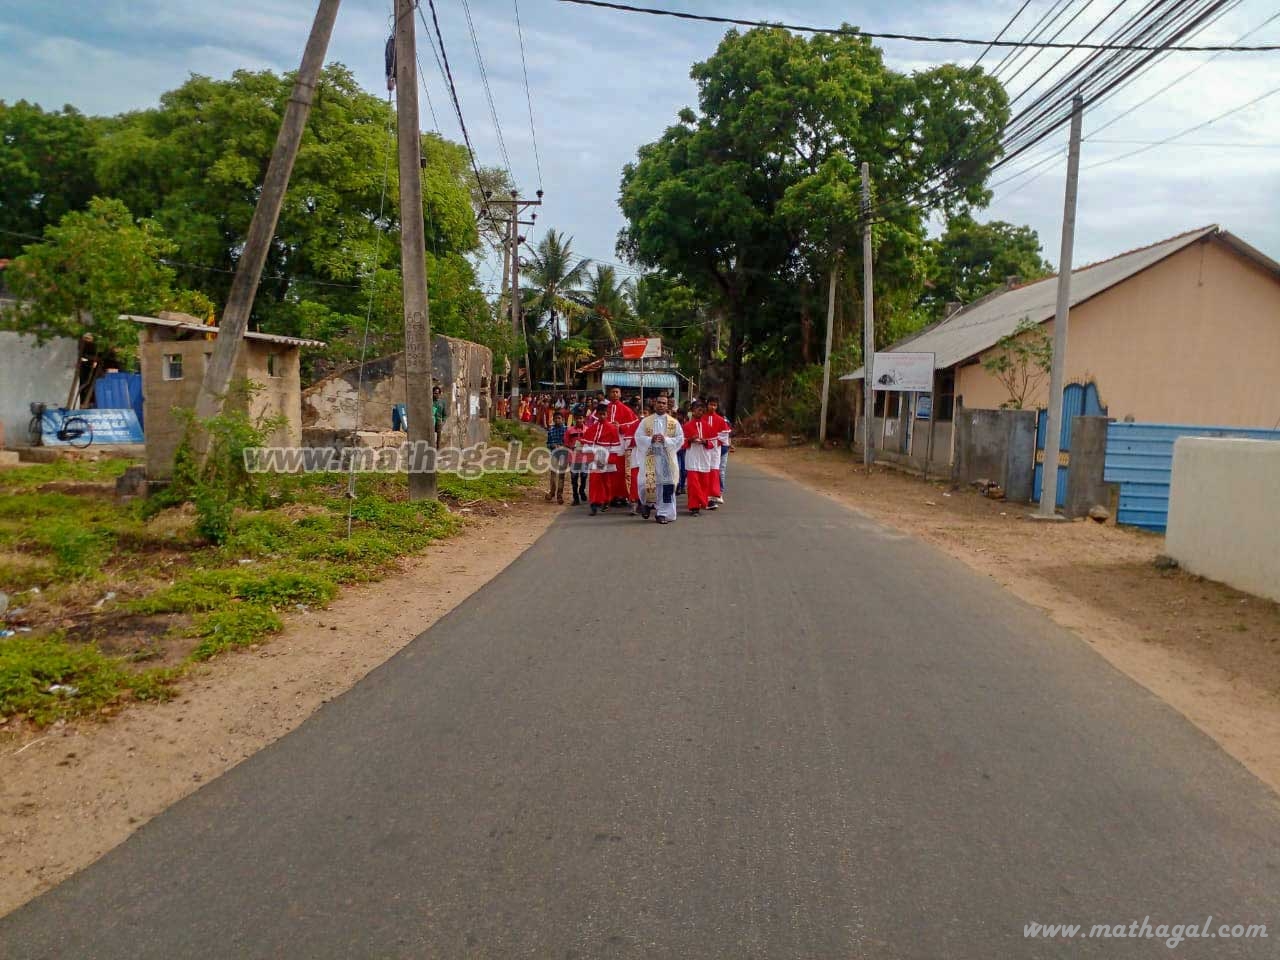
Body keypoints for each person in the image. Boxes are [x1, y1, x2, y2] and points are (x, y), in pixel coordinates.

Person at [633, 394, 682, 523]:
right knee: (644, 484)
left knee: (666, 485)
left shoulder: (674, 423)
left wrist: (665, 440)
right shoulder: (646, 421)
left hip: (666, 458)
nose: (661, 405)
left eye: (664, 403)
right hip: (650, 457)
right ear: (655, 404)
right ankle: (647, 504)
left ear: (667, 405)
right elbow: (638, 437)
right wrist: (650, 439)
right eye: (659, 402)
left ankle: (663, 513)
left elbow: (680, 439)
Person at [580, 402, 621, 516]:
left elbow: (615, 445)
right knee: (594, 480)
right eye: (600, 414)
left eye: (604, 414)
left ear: (607, 415)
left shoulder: (612, 429)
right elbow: (587, 444)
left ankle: (606, 500)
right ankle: (594, 502)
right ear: (597, 415)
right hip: (595, 457)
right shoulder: (591, 428)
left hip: (607, 457)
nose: (602, 416)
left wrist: (612, 458)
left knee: (606, 482)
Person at [683, 399, 719, 516]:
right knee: (693, 484)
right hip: (692, 457)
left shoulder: (708, 427)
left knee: (703, 483)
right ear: (692, 411)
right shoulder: (686, 426)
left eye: (701, 409)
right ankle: (694, 507)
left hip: (704, 458)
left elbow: (714, 443)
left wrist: (705, 442)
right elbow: (681, 443)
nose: (700, 411)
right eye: (697, 409)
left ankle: (701, 502)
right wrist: (690, 440)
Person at [603, 386, 638, 505]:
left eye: (617, 392)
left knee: (621, 471)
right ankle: (609, 495)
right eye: (612, 392)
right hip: (606, 444)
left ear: (620, 394)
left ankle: (622, 496)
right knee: (608, 471)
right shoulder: (603, 409)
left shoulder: (626, 410)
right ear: (608, 394)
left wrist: (620, 427)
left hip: (620, 445)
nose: (615, 394)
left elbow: (633, 426)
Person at [703, 396, 732, 505]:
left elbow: (724, 436)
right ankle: (705, 494)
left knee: (715, 471)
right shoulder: (702, 418)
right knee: (704, 471)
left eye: (714, 405)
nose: (712, 407)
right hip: (703, 450)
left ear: (717, 406)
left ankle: (716, 493)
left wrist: (714, 441)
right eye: (711, 404)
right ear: (707, 405)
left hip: (715, 450)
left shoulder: (720, 420)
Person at [565, 412, 589, 505]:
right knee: (574, 478)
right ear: (574, 419)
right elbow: (566, 443)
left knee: (584, 477)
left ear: (584, 419)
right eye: (577, 418)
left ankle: (582, 490)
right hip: (573, 457)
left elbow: (590, 442)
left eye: (581, 418)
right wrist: (571, 447)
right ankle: (575, 497)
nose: (579, 420)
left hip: (584, 457)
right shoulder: (569, 430)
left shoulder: (588, 430)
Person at [544, 412, 568, 504]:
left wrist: (562, 446)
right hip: (554, 454)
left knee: (561, 475)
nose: (557, 420)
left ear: (562, 419)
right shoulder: (551, 430)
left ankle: (559, 494)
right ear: (553, 420)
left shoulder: (566, 430)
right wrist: (552, 445)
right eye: (556, 418)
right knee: (553, 475)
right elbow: (548, 443)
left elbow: (569, 442)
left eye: (559, 418)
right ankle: (552, 492)